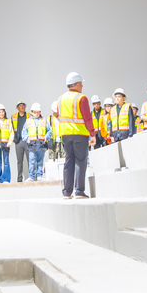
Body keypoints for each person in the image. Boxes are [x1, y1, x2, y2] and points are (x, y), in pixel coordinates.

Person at [57, 72, 96, 200]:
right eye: (81, 83)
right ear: (77, 84)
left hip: (66, 135)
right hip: (79, 134)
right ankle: (79, 191)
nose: (82, 86)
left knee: (69, 162)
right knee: (80, 162)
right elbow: (87, 118)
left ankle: (67, 192)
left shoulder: (60, 98)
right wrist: (92, 134)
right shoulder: (81, 98)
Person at [22, 103, 50, 181]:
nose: (36, 114)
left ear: (40, 112)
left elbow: (49, 130)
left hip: (41, 144)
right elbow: (24, 131)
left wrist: (46, 137)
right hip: (32, 144)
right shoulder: (28, 121)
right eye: (35, 112)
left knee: (40, 161)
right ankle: (31, 176)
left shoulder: (44, 120)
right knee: (32, 161)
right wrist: (26, 138)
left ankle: (39, 176)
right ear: (31, 112)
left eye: (38, 112)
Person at [11, 101, 29, 183]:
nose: (22, 107)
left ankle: (31, 177)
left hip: (27, 141)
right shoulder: (14, 116)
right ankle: (19, 179)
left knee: (30, 160)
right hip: (18, 141)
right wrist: (14, 139)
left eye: (23, 105)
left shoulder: (29, 116)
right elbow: (11, 128)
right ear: (17, 108)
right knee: (19, 161)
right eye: (20, 106)